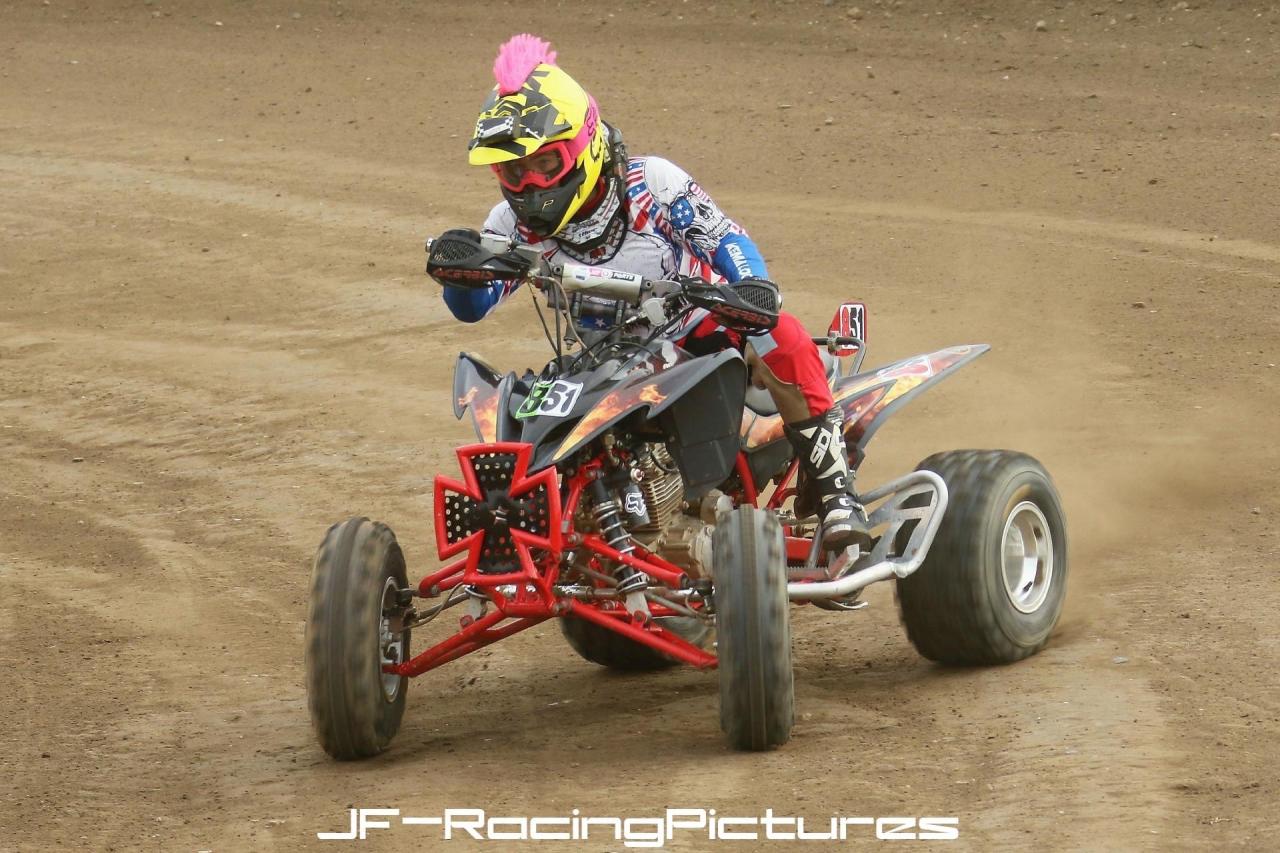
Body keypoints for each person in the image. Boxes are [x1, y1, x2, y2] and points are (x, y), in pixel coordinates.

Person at [441, 34, 867, 549]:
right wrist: (460, 273)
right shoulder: (511, 225)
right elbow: (473, 306)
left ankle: (836, 492)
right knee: (528, 410)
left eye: (545, 164)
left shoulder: (651, 184)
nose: (530, 184)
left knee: (783, 334)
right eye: (514, 170)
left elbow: (726, 240)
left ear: (584, 146)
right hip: (606, 363)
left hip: (701, 338)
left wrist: (751, 287)